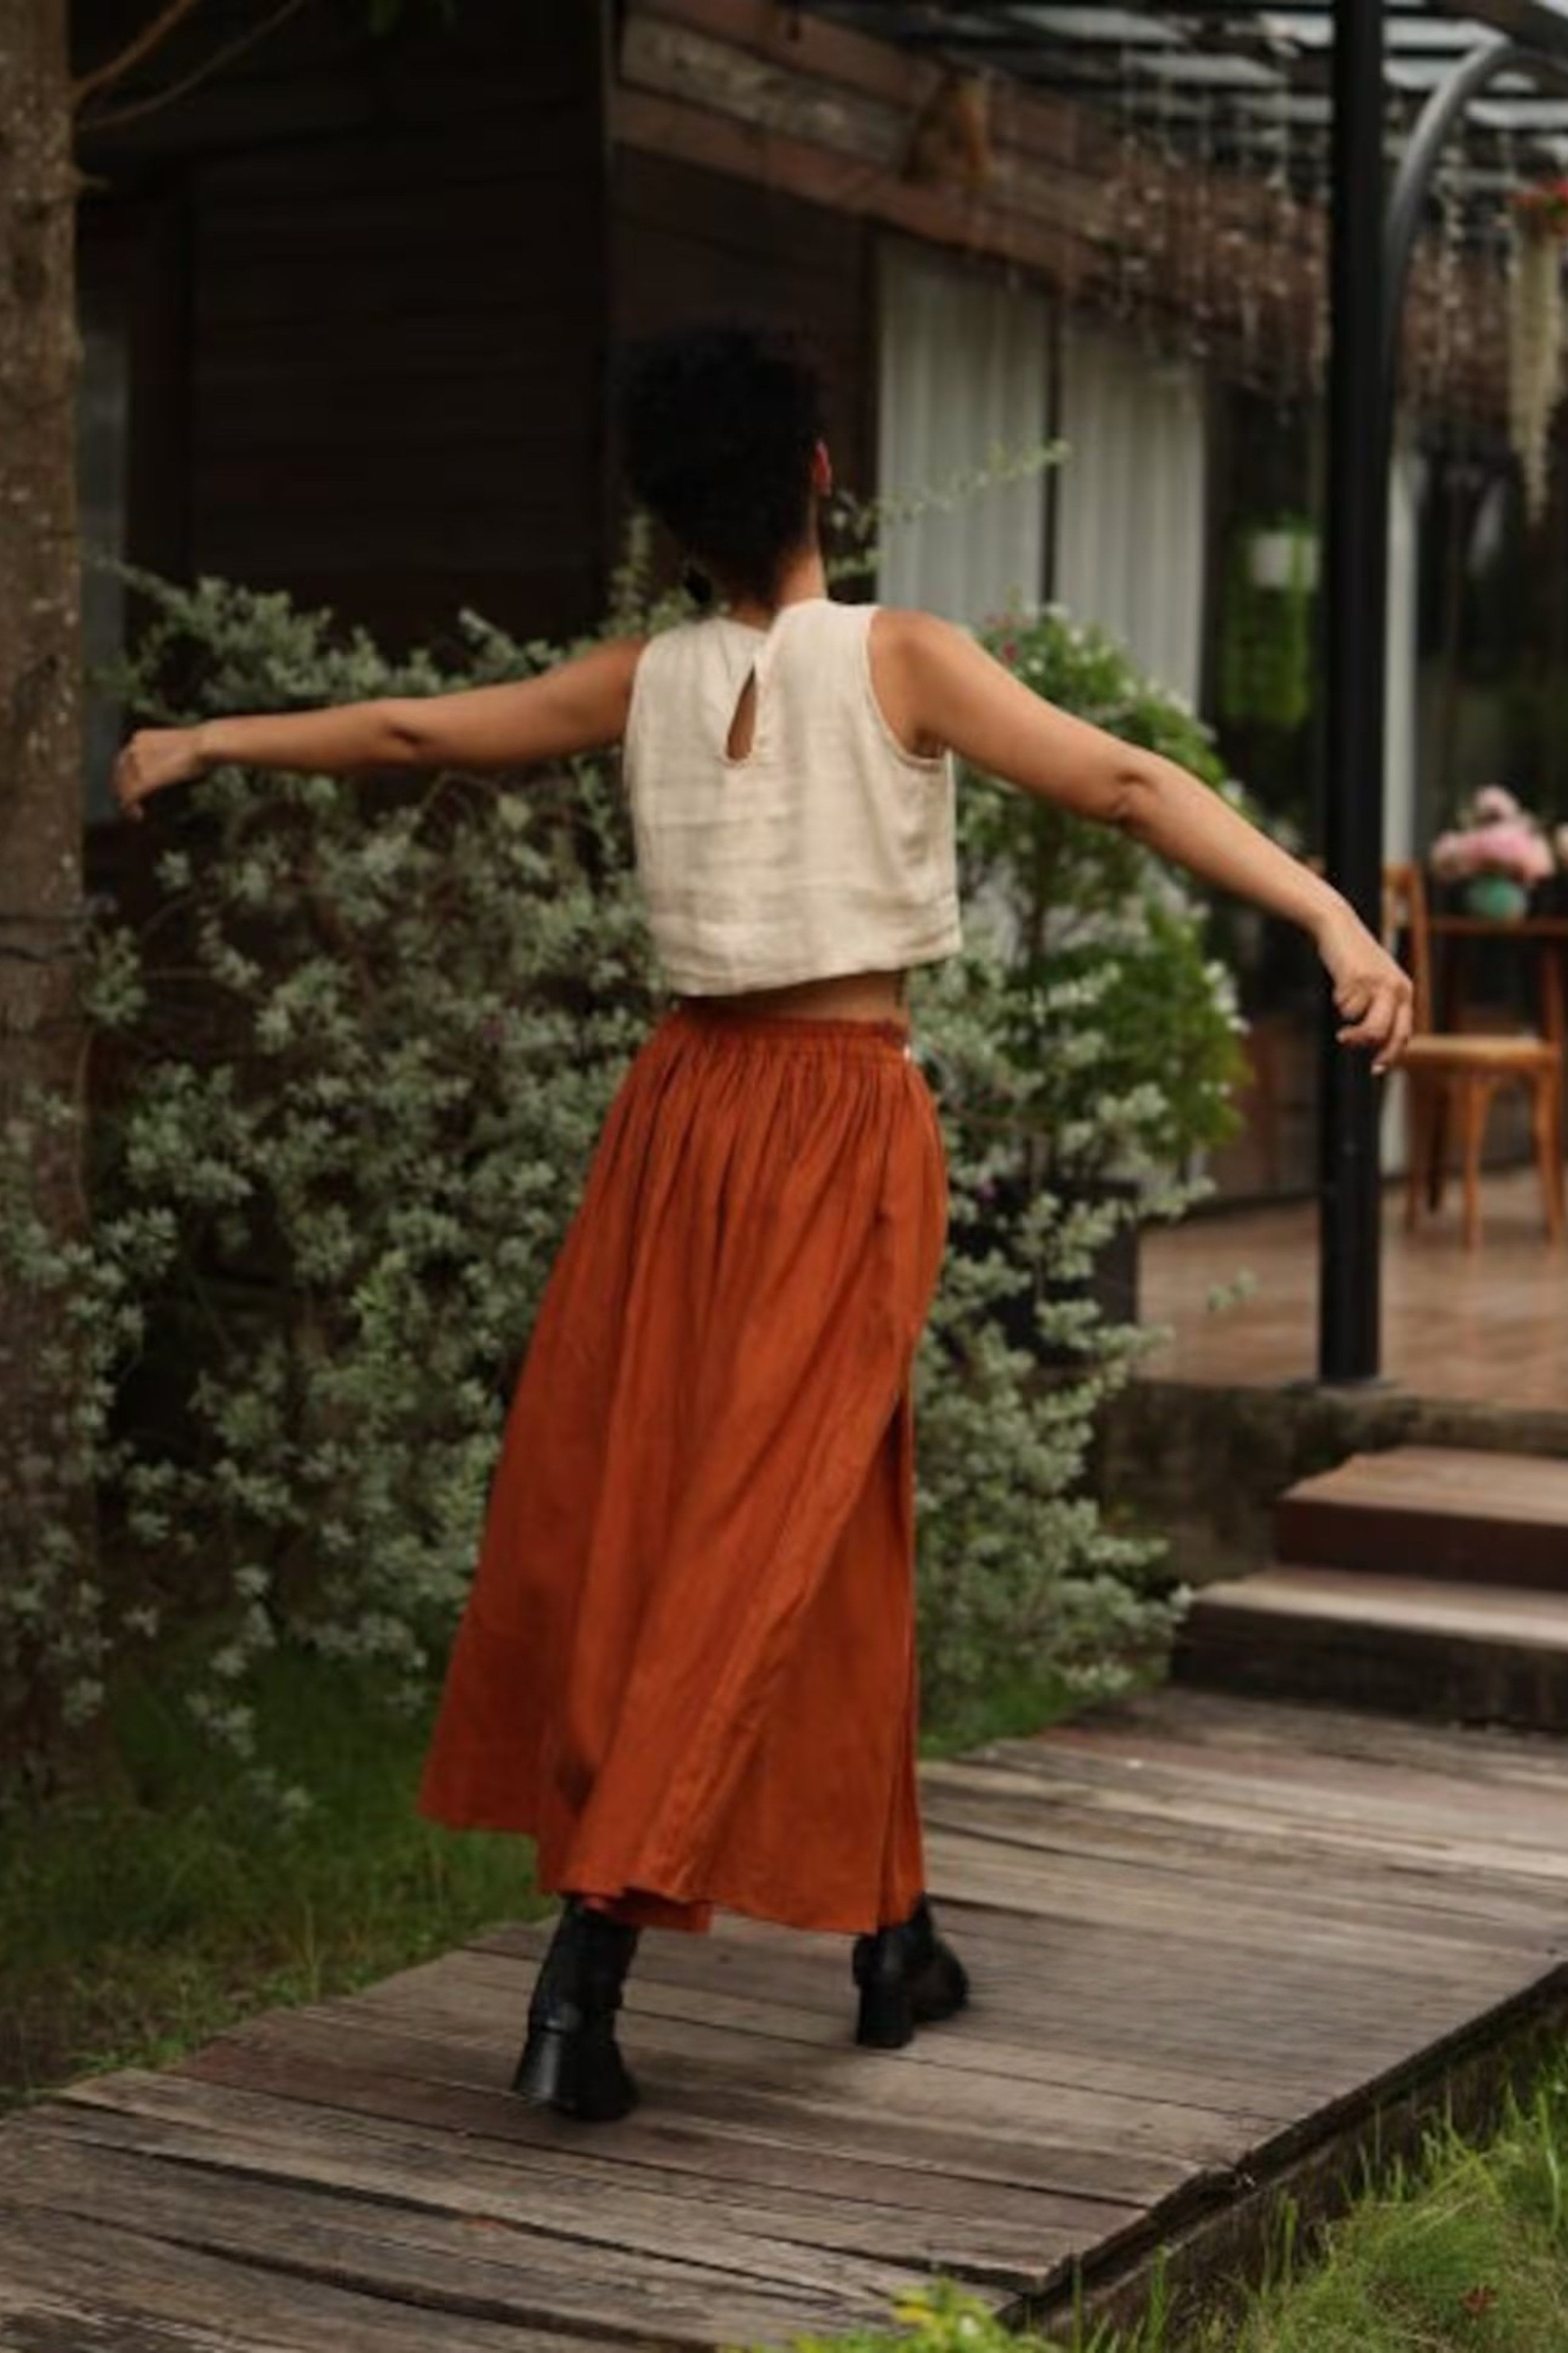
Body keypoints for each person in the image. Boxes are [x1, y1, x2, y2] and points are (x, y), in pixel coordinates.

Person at [114, 324, 1412, 2126]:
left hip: (675, 1118)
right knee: (741, 1529)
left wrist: (205, 738)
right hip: (833, 1125)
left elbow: (418, 729)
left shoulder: (642, 676)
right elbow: (1121, 782)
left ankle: (893, 1938)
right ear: (818, 474)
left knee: (805, 1516)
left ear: (670, 517)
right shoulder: (899, 657)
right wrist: (1332, 917)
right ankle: (588, 1966)